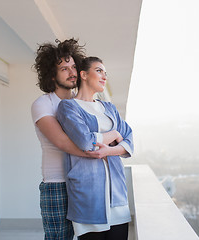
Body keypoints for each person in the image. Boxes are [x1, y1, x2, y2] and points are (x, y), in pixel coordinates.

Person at [31, 39, 109, 240]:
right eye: (64, 68)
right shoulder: (43, 104)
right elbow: (63, 143)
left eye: (74, 66)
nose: (72, 72)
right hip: (58, 183)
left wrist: (105, 147)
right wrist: (100, 152)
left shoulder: (84, 103)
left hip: (86, 181)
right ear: (52, 74)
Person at [56, 56, 134, 240]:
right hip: (88, 195)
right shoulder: (68, 107)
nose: (104, 77)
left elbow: (129, 140)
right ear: (83, 74)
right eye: (99, 71)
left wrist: (108, 150)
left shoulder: (109, 108)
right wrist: (114, 135)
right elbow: (85, 141)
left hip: (117, 194)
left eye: (105, 73)